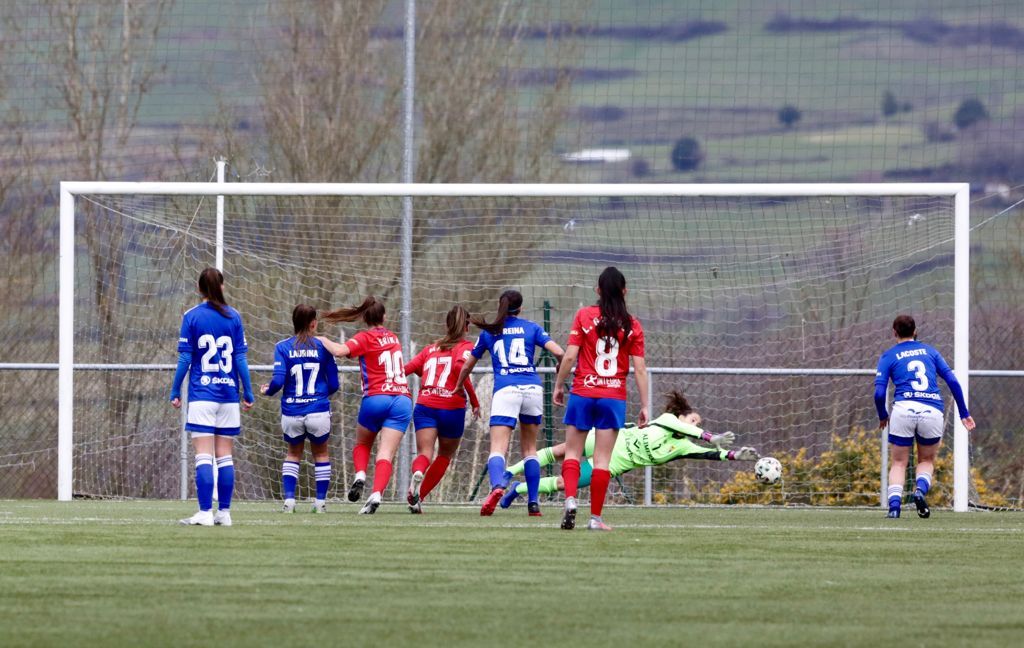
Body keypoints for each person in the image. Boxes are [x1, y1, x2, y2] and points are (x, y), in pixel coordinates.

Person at [499, 390, 758, 508]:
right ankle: (510, 470)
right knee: (562, 451)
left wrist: (735, 456)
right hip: (608, 440)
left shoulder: (682, 447)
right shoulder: (666, 420)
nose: (695, 425)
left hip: (613, 463)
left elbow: (709, 454)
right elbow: (700, 437)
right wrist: (709, 435)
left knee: (564, 483)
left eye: (698, 424)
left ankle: (518, 489)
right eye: (693, 420)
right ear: (681, 417)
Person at [453, 290, 564, 517]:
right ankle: (533, 504)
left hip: (506, 390)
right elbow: (560, 352)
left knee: (498, 448)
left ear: (500, 306)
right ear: (520, 308)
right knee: (530, 450)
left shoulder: (489, 332)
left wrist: (458, 385)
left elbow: (466, 365)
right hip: (532, 389)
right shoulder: (531, 328)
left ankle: (497, 487)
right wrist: (560, 369)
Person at [553, 266, 648, 531]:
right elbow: (640, 368)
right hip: (613, 397)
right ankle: (595, 519)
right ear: (624, 292)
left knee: (572, 452)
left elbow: (570, 356)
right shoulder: (633, 324)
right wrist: (644, 405)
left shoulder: (584, 315)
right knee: (602, 461)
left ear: (597, 291)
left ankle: (570, 499)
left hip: (583, 392)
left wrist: (559, 385)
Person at [171, 268, 254, 527]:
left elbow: (186, 357)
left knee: (204, 456)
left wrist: (175, 390)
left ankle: (205, 512)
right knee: (225, 456)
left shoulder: (192, 316)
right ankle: (225, 513)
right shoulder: (235, 317)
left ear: (199, 289)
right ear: (222, 286)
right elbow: (240, 358)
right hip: (228, 395)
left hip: (203, 395)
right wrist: (248, 391)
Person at [874, 314, 975, 519]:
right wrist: (964, 413)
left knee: (899, 463)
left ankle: (894, 508)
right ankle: (919, 491)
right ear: (915, 331)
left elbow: (878, 393)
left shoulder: (888, 356)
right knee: (926, 460)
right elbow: (953, 382)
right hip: (932, 410)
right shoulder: (930, 352)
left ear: (894, 332)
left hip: (904, 410)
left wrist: (883, 415)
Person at [317, 296, 412, 514]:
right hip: (402, 400)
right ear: (384, 317)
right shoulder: (394, 338)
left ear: (364, 318)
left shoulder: (364, 338)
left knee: (362, 443)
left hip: (376, 399)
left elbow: (341, 351)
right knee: (385, 453)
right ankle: (376, 494)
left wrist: (322, 339)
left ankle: (360, 474)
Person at [260, 305, 340, 514]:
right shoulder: (323, 347)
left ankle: (289, 502)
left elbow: (278, 380)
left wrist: (268, 391)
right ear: (313, 323)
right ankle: (320, 503)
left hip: (292, 410)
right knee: (321, 454)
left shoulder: (283, 347)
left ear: (294, 323)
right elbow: (334, 384)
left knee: (293, 454)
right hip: (318, 409)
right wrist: (319, 398)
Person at [403, 305, 481, 513]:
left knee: (424, 453)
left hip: (426, 404)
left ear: (446, 325)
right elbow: (458, 368)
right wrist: (474, 401)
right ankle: (418, 498)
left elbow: (407, 370)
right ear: (466, 326)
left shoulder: (430, 349)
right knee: (445, 455)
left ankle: (417, 474)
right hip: (451, 407)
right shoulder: (465, 346)